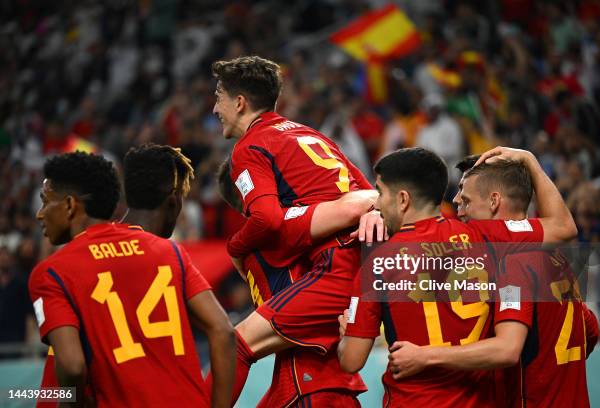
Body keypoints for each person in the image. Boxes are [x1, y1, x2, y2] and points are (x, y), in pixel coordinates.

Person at [338, 147, 577, 407]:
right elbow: (564, 227)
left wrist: (344, 334)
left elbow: (351, 360)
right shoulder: (484, 238)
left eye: (381, 193)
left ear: (403, 199)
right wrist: (530, 159)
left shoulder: (378, 262)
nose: (377, 203)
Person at [208, 55, 374, 404]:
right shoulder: (310, 135)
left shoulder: (249, 147)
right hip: (361, 262)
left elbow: (266, 219)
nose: (214, 108)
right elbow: (371, 194)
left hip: (335, 266)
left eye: (218, 97)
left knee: (233, 345)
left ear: (239, 103)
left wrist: (236, 247)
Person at [29, 149, 235, 408]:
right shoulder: (168, 252)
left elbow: (70, 369)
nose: (39, 213)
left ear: (70, 205)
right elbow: (224, 331)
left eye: (45, 201)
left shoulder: (55, 273)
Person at [217, 157, 376, 406]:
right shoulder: (278, 230)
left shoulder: (256, 246)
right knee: (235, 343)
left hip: (304, 384)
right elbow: (356, 204)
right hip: (316, 383)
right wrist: (378, 210)